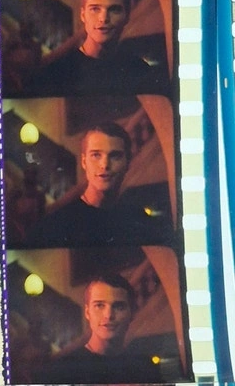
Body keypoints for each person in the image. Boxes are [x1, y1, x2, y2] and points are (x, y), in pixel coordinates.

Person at [26, 122, 174, 247]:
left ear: (127, 163)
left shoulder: (139, 222)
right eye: (96, 155)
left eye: (115, 156)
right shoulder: (56, 225)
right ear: (84, 162)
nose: (104, 165)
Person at [27, 0, 167, 97]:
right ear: (83, 15)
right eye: (95, 9)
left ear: (127, 17)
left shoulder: (138, 69)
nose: (103, 18)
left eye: (114, 10)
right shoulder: (57, 72)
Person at [37, 274, 176, 383]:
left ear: (132, 314)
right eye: (99, 305)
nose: (109, 315)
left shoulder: (145, 368)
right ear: (87, 312)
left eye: (119, 306)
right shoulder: (63, 370)